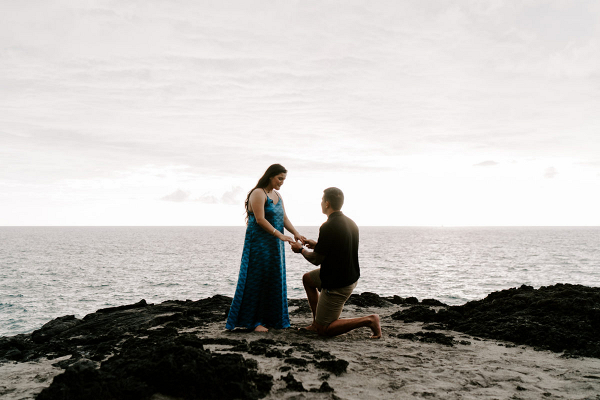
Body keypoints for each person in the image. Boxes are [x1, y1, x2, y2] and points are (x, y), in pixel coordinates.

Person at [290, 187, 382, 339]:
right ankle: (316, 322)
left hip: (338, 283)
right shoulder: (350, 223)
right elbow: (338, 246)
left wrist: (300, 250)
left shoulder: (328, 226)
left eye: (322, 200)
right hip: (348, 275)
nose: (320, 203)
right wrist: (316, 245)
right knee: (308, 279)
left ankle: (370, 320)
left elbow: (316, 260)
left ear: (327, 204)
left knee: (324, 330)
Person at [226, 164, 306, 332]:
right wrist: (280, 235)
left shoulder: (277, 195)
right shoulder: (258, 193)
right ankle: (254, 322)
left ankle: (273, 320)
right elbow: (260, 220)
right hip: (259, 244)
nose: (282, 182)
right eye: (280, 178)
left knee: (274, 278)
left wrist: (296, 233)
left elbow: (283, 217)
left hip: (275, 245)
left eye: (284, 179)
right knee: (257, 279)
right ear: (270, 176)